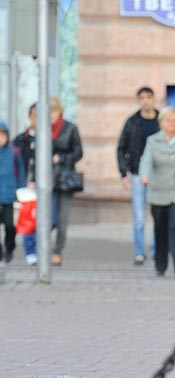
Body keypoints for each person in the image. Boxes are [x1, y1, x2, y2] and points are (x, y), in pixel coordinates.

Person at [138, 107, 175, 278]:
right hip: (158, 191)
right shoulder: (153, 141)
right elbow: (146, 161)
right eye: (168, 121)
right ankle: (160, 264)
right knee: (160, 229)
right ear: (161, 123)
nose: (171, 124)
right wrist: (144, 176)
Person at [117, 86, 160, 266]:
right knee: (139, 216)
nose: (145, 101)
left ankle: (158, 250)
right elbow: (121, 147)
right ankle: (139, 252)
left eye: (148, 97)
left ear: (153, 99)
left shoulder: (161, 120)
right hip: (136, 173)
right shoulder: (132, 122)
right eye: (142, 98)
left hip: (158, 173)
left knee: (159, 213)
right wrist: (123, 173)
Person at [50, 97, 83, 267]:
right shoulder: (41, 129)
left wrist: (62, 158)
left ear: (60, 111)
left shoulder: (70, 128)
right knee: (48, 218)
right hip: (46, 179)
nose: (50, 115)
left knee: (62, 217)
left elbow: (78, 152)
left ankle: (57, 251)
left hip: (64, 178)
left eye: (53, 111)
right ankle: (43, 248)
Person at [12, 104, 37, 265]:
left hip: (50, 185)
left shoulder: (51, 138)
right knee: (29, 218)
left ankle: (42, 247)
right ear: (29, 117)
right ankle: (31, 252)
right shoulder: (21, 139)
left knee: (49, 220)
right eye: (35, 115)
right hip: (27, 186)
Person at [0, 121, 24, 263]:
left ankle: (10, 247)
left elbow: (20, 172)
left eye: (2, 135)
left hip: (8, 195)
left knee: (9, 225)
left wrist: (20, 190)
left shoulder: (13, 152)